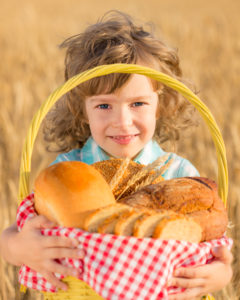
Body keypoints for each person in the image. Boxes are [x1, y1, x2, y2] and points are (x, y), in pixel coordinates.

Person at [0, 10, 232, 299]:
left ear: (159, 105)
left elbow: (217, 249)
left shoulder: (180, 175)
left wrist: (220, 274)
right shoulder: (66, 171)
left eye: (137, 103)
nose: (122, 122)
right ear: (82, 109)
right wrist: (20, 248)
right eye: (104, 106)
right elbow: (11, 236)